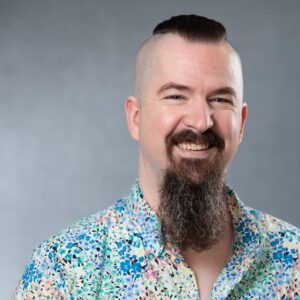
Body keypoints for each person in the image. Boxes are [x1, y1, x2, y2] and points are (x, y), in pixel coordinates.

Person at [14, 15, 299, 300]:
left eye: (221, 99)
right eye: (176, 96)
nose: (201, 122)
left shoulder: (293, 261)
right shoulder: (62, 271)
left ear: (242, 122)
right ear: (135, 118)